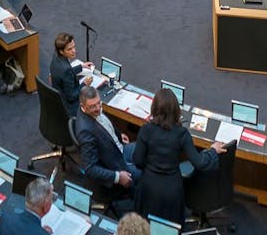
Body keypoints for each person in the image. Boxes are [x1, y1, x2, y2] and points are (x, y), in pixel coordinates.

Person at [131, 88, 224, 221]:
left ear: (154, 108)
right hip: (172, 189)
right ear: (176, 110)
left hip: (149, 187)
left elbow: (138, 161)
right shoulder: (181, 133)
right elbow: (200, 162)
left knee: (145, 226)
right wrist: (213, 150)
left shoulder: (146, 130)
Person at [76, 84, 139, 210]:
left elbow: (104, 126)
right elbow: (90, 169)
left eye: (99, 103)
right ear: (83, 107)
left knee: (145, 149)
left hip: (117, 147)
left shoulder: (91, 110)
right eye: (93, 106)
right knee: (146, 174)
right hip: (115, 165)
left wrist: (118, 135)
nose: (98, 108)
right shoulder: (85, 131)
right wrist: (117, 177)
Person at [48, 32, 90, 117]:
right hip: (69, 107)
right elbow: (71, 97)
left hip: (58, 98)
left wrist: (81, 66)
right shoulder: (66, 70)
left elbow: (65, 73)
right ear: (61, 51)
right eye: (69, 49)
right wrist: (84, 84)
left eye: (74, 47)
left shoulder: (56, 55)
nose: (74, 51)